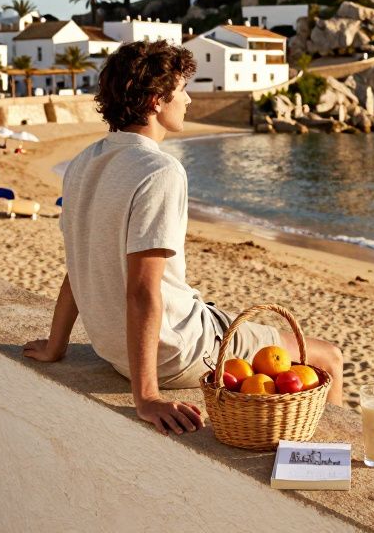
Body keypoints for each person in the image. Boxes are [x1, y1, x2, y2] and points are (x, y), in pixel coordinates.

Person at [23, 41, 344, 437]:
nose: (189, 99)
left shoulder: (85, 162)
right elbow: (143, 290)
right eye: (182, 90)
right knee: (327, 357)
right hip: (175, 351)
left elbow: (79, 264)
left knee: (221, 316)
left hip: (113, 347)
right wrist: (147, 397)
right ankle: (327, 460)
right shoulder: (159, 171)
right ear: (157, 101)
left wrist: (57, 347)